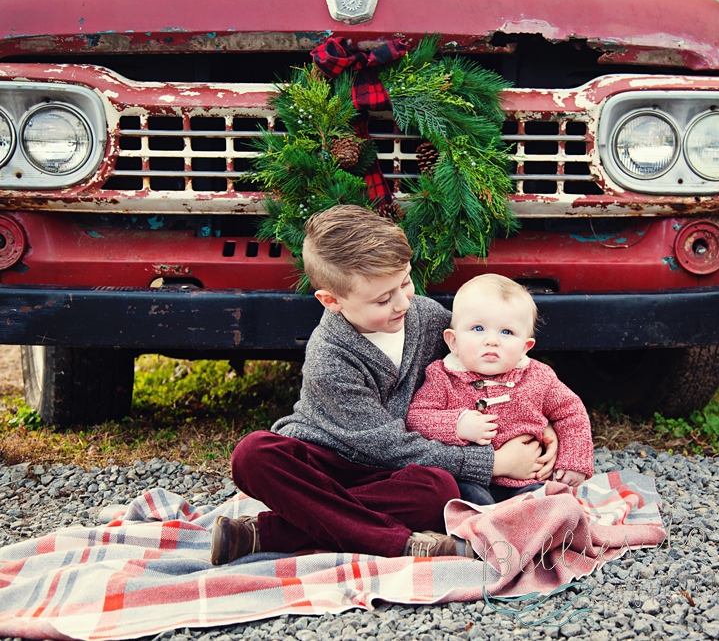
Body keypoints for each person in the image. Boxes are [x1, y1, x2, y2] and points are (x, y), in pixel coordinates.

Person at [210, 206, 557, 564]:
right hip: (328, 461)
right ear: (332, 301)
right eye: (382, 299)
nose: (402, 301)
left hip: (387, 478)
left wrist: (540, 421)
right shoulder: (329, 357)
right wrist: (492, 463)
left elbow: (494, 372)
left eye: (405, 282)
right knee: (253, 454)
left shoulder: (428, 319)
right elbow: (385, 444)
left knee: (437, 490)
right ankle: (404, 544)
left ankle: (266, 533)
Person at [406, 274, 593, 505]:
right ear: (453, 341)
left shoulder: (538, 377)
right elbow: (416, 418)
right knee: (460, 496)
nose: (492, 340)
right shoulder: (442, 376)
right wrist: (458, 424)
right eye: (478, 328)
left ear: (526, 347)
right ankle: (488, 524)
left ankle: (527, 521)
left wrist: (574, 461)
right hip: (469, 479)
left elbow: (571, 411)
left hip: (526, 480)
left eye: (506, 332)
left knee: (550, 501)